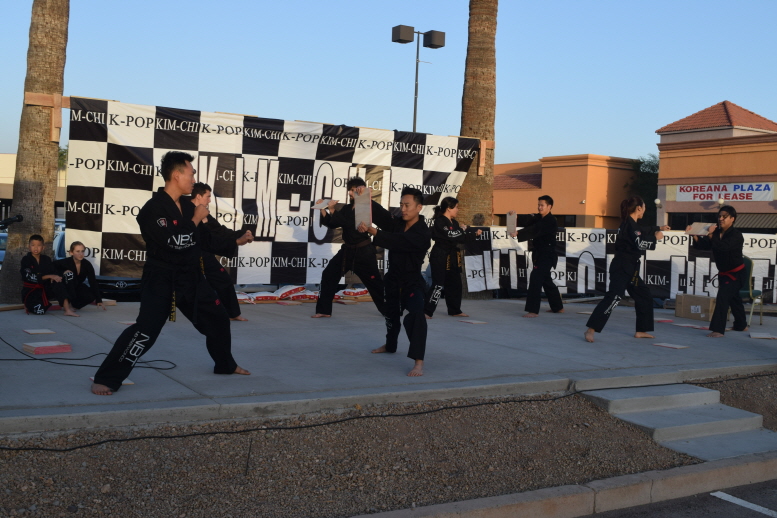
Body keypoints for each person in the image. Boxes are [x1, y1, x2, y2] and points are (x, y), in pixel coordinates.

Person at [91, 151, 250, 396]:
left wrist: (235, 241)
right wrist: (195, 219)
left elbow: (205, 240)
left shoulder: (188, 206)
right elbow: (175, 242)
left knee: (218, 319)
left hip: (190, 277)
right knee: (145, 331)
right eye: (191, 173)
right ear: (176, 175)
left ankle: (225, 365)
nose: (194, 179)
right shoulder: (153, 209)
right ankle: (106, 378)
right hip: (161, 279)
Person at [358, 187, 431, 377]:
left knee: (416, 316)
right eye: (401, 205)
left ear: (419, 207)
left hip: (412, 281)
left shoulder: (422, 232)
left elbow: (399, 241)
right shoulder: (398, 224)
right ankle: (390, 345)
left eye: (407, 205)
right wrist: (365, 198)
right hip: (393, 279)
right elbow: (382, 215)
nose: (403, 209)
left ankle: (418, 362)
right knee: (390, 315)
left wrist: (374, 231)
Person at [584, 197, 670, 343]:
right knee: (614, 297)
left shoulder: (630, 224)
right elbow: (640, 243)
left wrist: (659, 228)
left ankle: (641, 330)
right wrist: (655, 238)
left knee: (644, 296)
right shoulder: (629, 225)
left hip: (631, 268)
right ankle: (591, 329)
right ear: (639, 208)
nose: (644, 210)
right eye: (644, 207)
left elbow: (641, 231)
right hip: (622, 267)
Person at [312, 176, 393, 318]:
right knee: (329, 275)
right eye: (349, 190)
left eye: (354, 190)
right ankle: (324, 310)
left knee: (374, 283)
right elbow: (333, 223)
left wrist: (333, 209)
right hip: (347, 251)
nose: (350, 193)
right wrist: (322, 209)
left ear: (361, 190)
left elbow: (350, 223)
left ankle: (389, 311)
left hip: (364, 252)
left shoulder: (367, 207)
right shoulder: (347, 208)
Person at [191, 182, 254, 321]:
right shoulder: (185, 210)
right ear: (198, 196)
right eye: (207, 196)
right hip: (187, 256)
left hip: (205, 254)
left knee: (223, 280)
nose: (209, 200)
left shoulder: (206, 214)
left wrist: (241, 234)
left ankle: (232, 313)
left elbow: (220, 231)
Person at [687, 206, 748, 337]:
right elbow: (704, 246)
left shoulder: (736, 235)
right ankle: (741, 325)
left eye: (724, 216)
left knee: (723, 297)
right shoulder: (716, 233)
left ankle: (718, 330)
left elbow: (723, 247)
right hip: (724, 273)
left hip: (737, 274)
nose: (721, 219)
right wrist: (694, 235)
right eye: (719, 216)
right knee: (734, 299)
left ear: (732, 219)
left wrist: (710, 235)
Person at [424, 197, 482, 318]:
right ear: (449, 208)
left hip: (453, 255)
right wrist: (463, 231)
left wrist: (473, 234)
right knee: (438, 284)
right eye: (456, 207)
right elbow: (450, 235)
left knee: (455, 283)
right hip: (440, 255)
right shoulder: (440, 221)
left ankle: (455, 310)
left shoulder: (454, 223)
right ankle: (427, 311)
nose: (458, 210)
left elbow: (460, 238)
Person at [508, 195, 563, 318]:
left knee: (535, 279)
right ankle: (558, 307)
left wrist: (518, 233)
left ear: (549, 207)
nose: (539, 207)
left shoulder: (551, 220)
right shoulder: (538, 217)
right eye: (538, 205)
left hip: (547, 255)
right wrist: (515, 217)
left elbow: (535, 229)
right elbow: (528, 219)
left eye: (542, 205)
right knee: (546, 280)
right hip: (539, 254)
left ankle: (533, 310)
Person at [20, 234, 78, 317]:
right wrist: (49, 276)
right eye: (33, 245)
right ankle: (28, 304)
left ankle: (67, 308)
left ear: (43, 247)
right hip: (31, 291)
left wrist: (63, 273)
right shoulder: (26, 260)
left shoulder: (46, 259)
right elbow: (28, 276)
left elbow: (53, 271)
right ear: (29, 247)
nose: (36, 248)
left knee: (63, 278)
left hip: (45, 289)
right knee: (40, 311)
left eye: (39, 245)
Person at [54, 241, 106, 314]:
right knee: (69, 275)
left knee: (91, 295)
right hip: (64, 287)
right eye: (77, 251)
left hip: (77, 287)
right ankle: (67, 304)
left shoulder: (87, 264)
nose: (81, 254)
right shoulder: (64, 262)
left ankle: (74, 305)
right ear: (71, 252)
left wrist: (99, 300)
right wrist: (63, 272)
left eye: (82, 251)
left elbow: (93, 282)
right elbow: (50, 268)